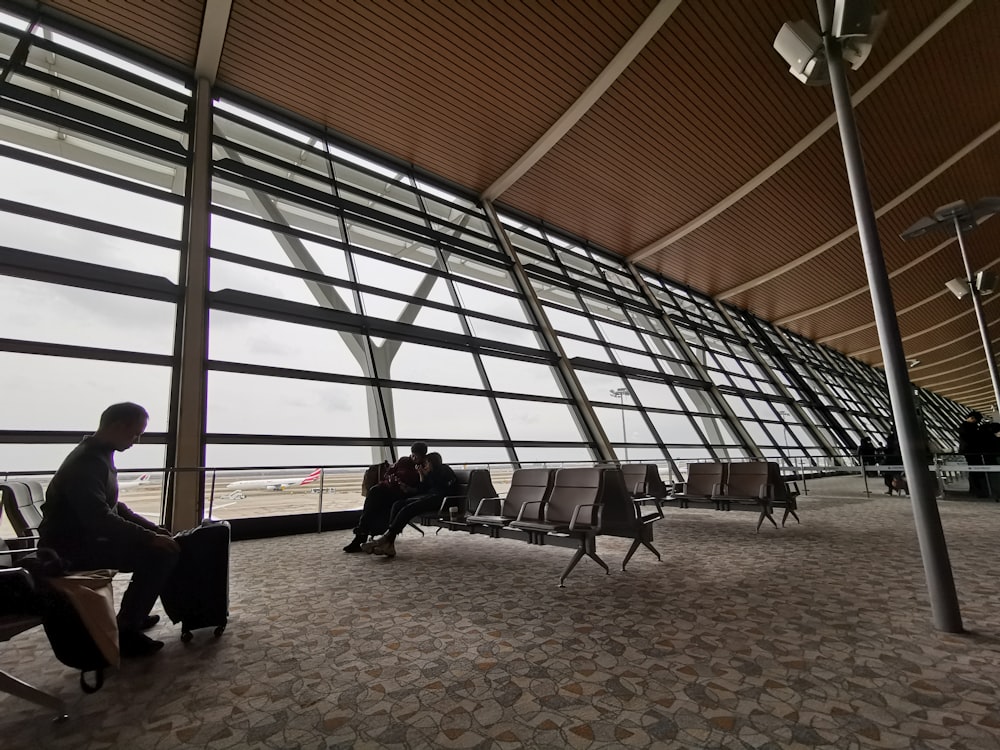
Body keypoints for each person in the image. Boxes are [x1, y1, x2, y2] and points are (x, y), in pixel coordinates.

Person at [38, 402, 180, 658]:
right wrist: (150, 538)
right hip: (69, 551)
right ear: (116, 426)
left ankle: (130, 616)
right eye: (134, 433)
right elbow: (99, 517)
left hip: (84, 540)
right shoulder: (87, 463)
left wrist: (152, 530)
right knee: (159, 555)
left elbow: (115, 507)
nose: (135, 441)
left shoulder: (98, 454)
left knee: (157, 546)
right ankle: (127, 630)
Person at [365, 452, 457, 558]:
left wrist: (428, 475)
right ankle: (390, 542)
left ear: (432, 463)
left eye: (427, 463)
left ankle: (387, 539)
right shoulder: (431, 473)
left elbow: (444, 489)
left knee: (409, 509)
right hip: (430, 497)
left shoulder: (444, 470)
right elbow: (423, 489)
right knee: (398, 504)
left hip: (442, 501)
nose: (425, 466)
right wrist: (422, 475)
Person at [342, 442, 427, 552]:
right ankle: (362, 534)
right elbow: (388, 472)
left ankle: (362, 536)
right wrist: (391, 478)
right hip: (387, 488)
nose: (414, 458)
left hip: (401, 493)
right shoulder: (403, 461)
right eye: (413, 455)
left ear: (423, 456)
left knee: (377, 502)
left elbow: (421, 487)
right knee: (374, 493)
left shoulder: (424, 467)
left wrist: (407, 488)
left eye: (417, 457)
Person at [958, 411, 988, 498]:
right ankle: (978, 490)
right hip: (971, 451)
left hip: (968, 451)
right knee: (975, 470)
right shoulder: (968, 427)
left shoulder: (964, 427)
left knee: (973, 470)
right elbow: (973, 439)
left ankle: (975, 490)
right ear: (972, 418)